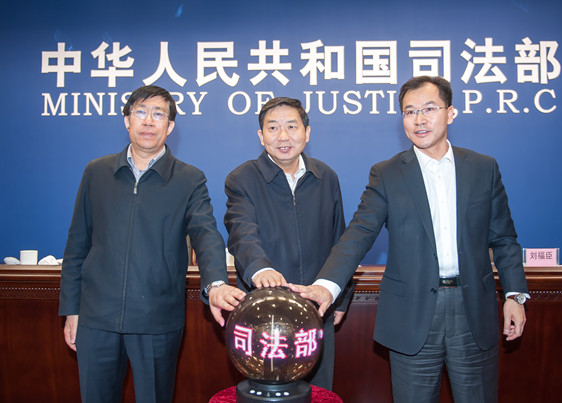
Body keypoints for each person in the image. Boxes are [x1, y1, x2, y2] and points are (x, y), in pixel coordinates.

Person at [289, 76, 529, 402]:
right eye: (409, 111)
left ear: (450, 113)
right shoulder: (387, 174)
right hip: (412, 315)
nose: (419, 119)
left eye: (429, 109)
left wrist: (515, 295)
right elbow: (358, 233)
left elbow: (504, 238)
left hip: (472, 310)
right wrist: (327, 286)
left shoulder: (483, 169)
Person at [58, 85, 246, 403]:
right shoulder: (96, 172)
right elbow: (77, 244)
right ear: (127, 121)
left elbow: (206, 234)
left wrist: (215, 284)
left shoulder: (188, 178)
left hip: (157, 318)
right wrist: (72, 310)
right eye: (141, 112)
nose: (148, 121)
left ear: (169, 126)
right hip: (96, 317)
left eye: (158, 114)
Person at [224, 97, 351, 390]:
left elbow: (340, 240)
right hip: (263, 317)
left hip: (317, 308)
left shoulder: (325, 177)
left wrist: (341, 297)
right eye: (273, 128)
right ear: (261, 136)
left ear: (307, 132)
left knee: (318, 392)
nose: (283, 136)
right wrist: (260, 269)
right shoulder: (242, 179)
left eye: (292, 127)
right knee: (268, 393)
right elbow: (241, 232)